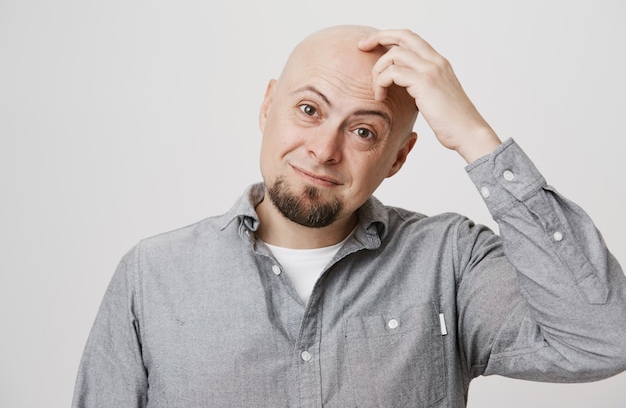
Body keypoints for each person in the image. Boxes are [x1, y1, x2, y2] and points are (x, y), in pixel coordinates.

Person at [72, 25, 626, 408]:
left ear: (398, 157)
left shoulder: (450, 263)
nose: (323, 149)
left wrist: (476, 140)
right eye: (308, 109)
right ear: (268, 107)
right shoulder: (152, 275)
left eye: (364, 131)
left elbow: (604, 339)